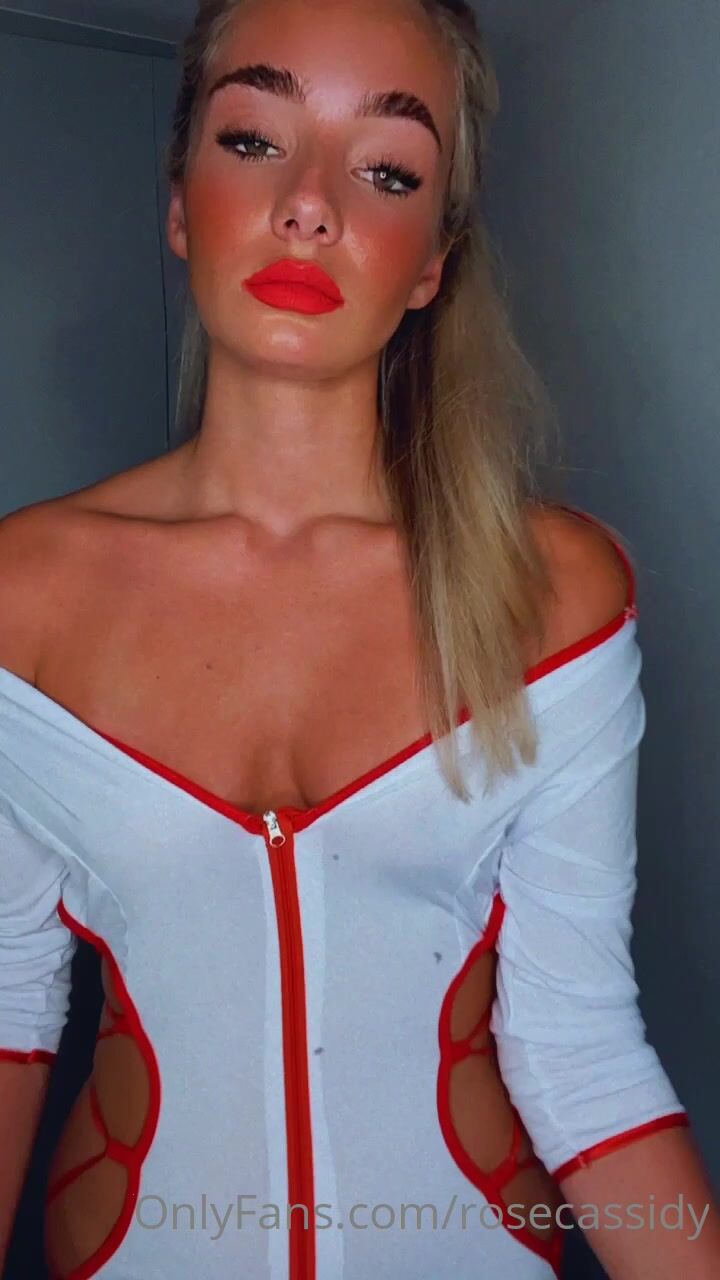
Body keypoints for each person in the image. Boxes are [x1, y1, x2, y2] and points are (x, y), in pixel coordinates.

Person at [0, 0, 718, 1276]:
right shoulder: (22, 597)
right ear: (179, 203)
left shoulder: (549, 593)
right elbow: (7, 1012)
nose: (310, 205)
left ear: (432, 261)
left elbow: (580, 1049)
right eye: (253, 140)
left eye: (387, 169)